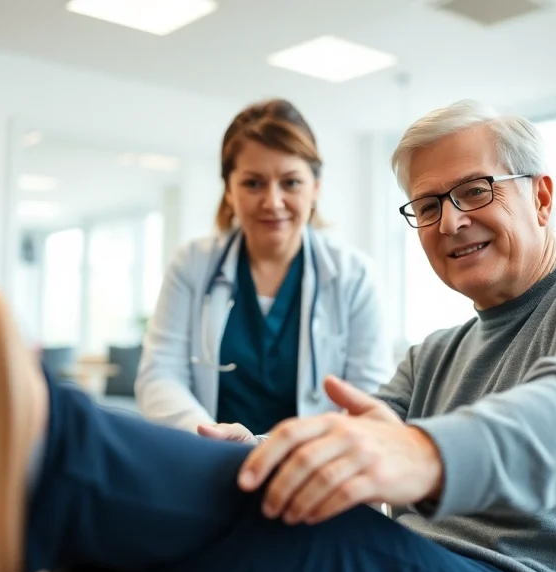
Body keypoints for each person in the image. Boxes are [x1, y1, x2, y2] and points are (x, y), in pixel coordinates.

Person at [0, 99, 556, 572]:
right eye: (426, 205)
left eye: (474, 190)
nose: (450, 221)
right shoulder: (436, 352)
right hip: (427, 558)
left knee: (266, 530)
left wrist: (420, 452)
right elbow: (338, 436)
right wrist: (259, 446)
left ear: (544, 194)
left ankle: (45, 451)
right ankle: (44, 479)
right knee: (152, 540)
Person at [136, 98, 394, 436]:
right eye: (253, 183)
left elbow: (370, 394)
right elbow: (160, 375)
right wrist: (211, 436)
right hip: (211, 458)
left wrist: (291, 447)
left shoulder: (354, 275)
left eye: (291, 182)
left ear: (315, 188)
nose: (272, 201)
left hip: (313, 465)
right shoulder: (191, 265)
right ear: (229, 189)